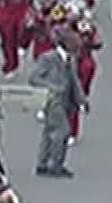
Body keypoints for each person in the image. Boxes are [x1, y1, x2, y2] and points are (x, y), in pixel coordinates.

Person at [32, 30, 86, 178]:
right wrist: (53, 87)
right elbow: (34, 78)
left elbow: (74, 80)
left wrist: (81, 100)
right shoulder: (48, 58)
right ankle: (56, 165)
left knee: (49, 132)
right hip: (52, 101)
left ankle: (42, 164)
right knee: (62, 131)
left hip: (66, 101)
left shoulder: (71, 59)